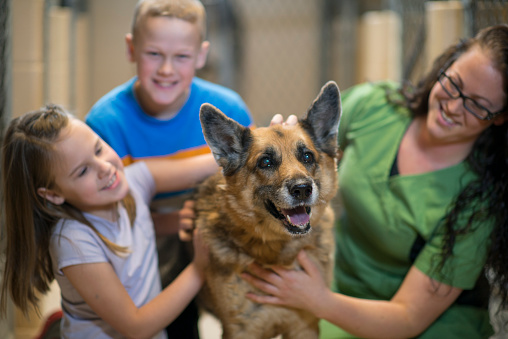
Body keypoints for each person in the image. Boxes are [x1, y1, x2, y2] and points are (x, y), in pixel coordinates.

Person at [241, 24, 508, 338]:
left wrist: (316, 300)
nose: (452, 106)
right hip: (334, 281)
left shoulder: (477, 202)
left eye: (476, 105)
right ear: (444, 66)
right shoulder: (375, 106)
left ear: (500, 117)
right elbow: (306, 148)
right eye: (453, 83)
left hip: (417, 321)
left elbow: (408, 318)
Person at [85, 0, 253, 337]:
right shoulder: (105, 122)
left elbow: (245, 188)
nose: (166, 70)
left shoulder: (228, 108)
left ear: (201, 56)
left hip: (213, 231)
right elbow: (103, 214)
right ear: (131, 48)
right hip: (143, 240)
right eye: (154, 54)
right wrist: (170, 222)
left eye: (181, 57)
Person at [0, 104, 218, 339]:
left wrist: (173, 222)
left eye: (98, 149)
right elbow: (136, 327)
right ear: (53, 194)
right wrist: (198, 268)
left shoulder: (135, 181)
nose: (104, 167)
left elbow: (214, 163)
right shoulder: (72, 241)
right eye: (83, 171)